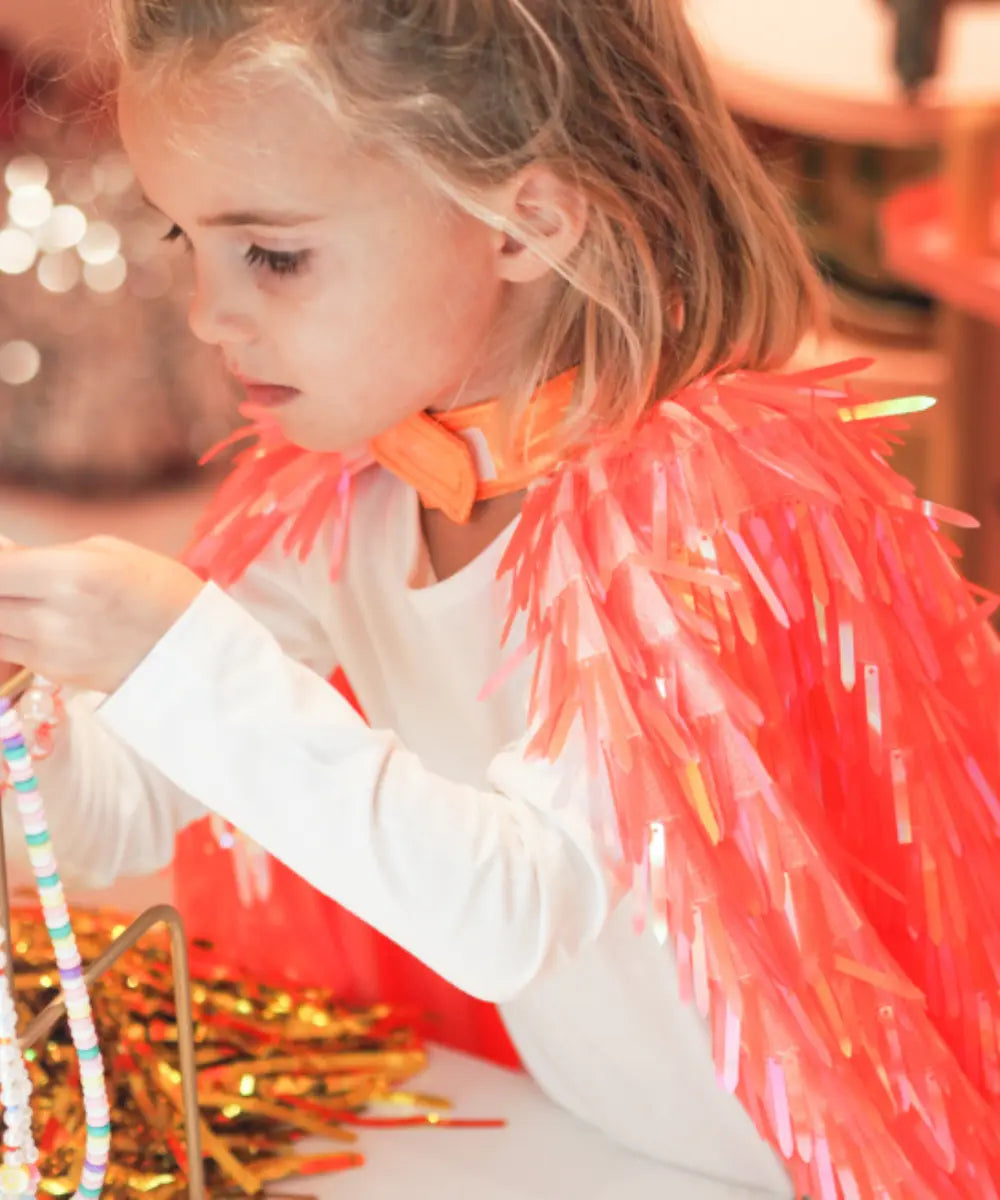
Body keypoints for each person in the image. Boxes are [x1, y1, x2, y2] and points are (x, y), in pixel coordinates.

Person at [0, 2, 996, 1196]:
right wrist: (34, 700)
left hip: (796, 1168)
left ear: (523, 222)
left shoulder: (697, 518)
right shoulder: (357, 487)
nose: (211, 314)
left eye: (271, 253)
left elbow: (516, 910)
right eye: (184, 240)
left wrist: (176, 654)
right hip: (595, 1142)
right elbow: (112, 816)